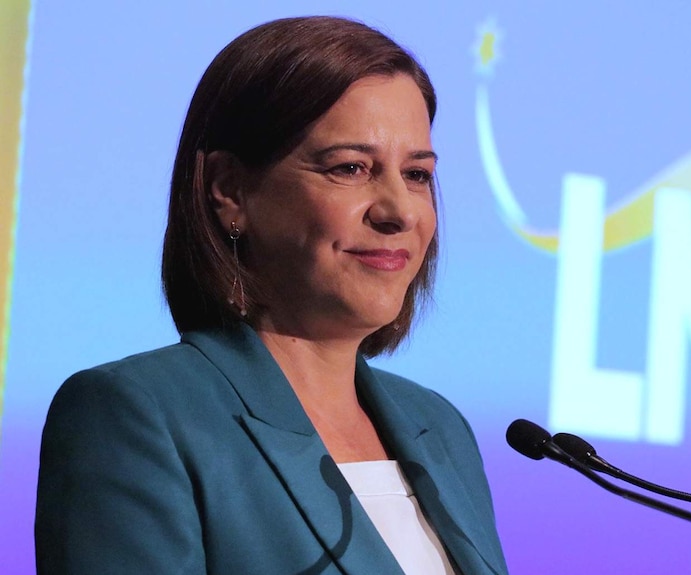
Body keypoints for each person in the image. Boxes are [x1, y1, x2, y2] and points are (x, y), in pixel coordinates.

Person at [35, 16, 509, 575]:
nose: (400, 211)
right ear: (230, 190)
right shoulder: (137, 416)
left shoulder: (441, 428)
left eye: (417, 174)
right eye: (351, 168)